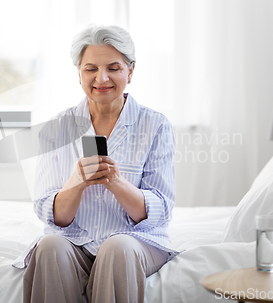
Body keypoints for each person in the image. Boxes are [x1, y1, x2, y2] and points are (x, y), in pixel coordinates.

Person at [13, 25, 178, 303]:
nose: (101, 78)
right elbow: (51, 213)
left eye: (113, 68)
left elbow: (160, 210)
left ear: (130, 71)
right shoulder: (57, 128)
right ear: (79, 73)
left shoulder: (155, 125)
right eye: (91, 69)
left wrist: (117, 183)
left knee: (118, 247)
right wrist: (76, 183)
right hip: (74, 242)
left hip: (134, 242)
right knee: (50, 245)